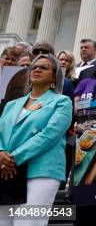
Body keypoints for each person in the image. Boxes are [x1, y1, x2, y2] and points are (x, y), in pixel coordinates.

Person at [0, 54, 72, 225]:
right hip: (7, 171)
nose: (37, 69)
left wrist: (12, 159)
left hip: (41, 170)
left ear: (54, 76)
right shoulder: (11, 104)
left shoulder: (62, 102)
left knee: (28, 222)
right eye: (34, 67)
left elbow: (49, 135)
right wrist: (1, 152)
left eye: (44, 67)